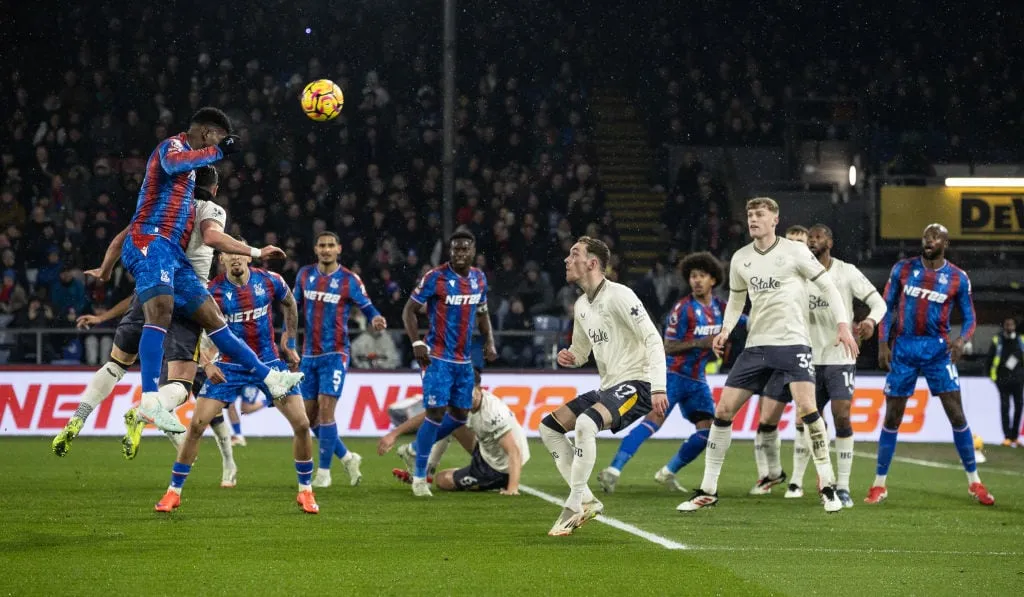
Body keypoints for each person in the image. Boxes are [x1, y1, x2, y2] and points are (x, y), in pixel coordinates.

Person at [52, 166, 261, 486]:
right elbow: (211, 235)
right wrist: (253, 250)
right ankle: (146, 409)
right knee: (183, 384)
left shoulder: (161, 208)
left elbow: (122, 239)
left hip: (151, 290)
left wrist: (106, 271)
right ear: (215, 189)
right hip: (189, 300)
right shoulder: (211, 209)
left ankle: (78, 417)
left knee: (115, 365)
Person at [119, 107, 300, 433]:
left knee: (213, 317)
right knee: (160, 310)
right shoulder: (173, 147)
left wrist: (105, 267)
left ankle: (270, 378)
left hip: (172, 252)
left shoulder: (193, 178)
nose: (217, 148)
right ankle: (148, 399)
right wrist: (218, 150)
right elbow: (175, 164)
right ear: (205, 133)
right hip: (150, 240)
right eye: (217, 138)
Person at [677, 197, 859, 514]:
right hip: (757, 346)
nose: (753, 219)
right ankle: (708, 490)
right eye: (749, 214)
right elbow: (736, 302)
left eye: (760, 214)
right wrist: (724, 330)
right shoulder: (740, 259)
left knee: (807, 409)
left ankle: (827, 487)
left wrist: (843, 325)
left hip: (793, 343)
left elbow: (829, 287)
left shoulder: (796, 252)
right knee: (723, 410)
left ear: (775, 219)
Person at [154, 247, 317, 513]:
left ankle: (305, 491)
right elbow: (195, 331)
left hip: (269, 362)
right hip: (228, 365)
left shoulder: (270, 280)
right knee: (196, 425)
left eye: (239, 253)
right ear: (222, 260)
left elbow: (289, 302)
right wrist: (206, 364)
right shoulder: (210, 291)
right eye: (229, 254)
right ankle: (174, 492)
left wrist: (289, 338)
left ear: (249, 257)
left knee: (301, 423)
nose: (236, 258)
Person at [541, 236, 669, 536]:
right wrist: (570, 357)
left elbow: (653, 338)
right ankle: (586, 498)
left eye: (574, 254)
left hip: (639, 383)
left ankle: (574, 504)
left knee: (586, 424)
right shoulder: (582, 305)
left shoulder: (620, 296)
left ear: (592, 263)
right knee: (548, 428)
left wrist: (659, 387)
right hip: (609, 387)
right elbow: (582, 352)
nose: (566, 260)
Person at [751, 224, 886, 507]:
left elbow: (878, 303)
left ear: (830, 241)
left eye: (818, 236)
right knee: (806, 421)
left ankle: (844, 485)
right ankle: (799, 480)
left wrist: (871, 322)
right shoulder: (795, 274)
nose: (813, 240)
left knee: (842, 416)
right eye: (809, 237)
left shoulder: (846, 272)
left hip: (839, 357)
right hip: (805, 358)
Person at [867, 224, 994, 506]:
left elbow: (971, 317)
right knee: (892, 417)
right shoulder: (903, 269)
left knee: (957, 415)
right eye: (926, 236)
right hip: (905, 347)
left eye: (935, 237)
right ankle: (878, 484)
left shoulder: (958, 278)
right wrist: (882, 342)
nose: (929, 240)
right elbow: (886, 306)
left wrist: (962, 340)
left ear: (945, 243)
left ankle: (975, 483)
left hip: (938, 350)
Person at [598, 252, 735, 493]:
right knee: (653, 422)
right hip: (672, 376)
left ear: (713, 280)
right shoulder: (683, 308)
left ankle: (668, 472)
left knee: (708, 432)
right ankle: (613, 470)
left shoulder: (721, 307)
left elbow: (741, 321)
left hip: (697, 381)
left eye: (702, 276)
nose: (696, 281)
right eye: (693, 276)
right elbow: (667, 346)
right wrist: (700, 342)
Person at [402, 229, 498, 497]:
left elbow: (482, 312)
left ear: (473, 251)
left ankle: (413, 450)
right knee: (435, 413)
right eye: (455, 249)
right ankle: (420, 479)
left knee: (460, 416)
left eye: (464, 249)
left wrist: (489, 341)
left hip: (464, 361)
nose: (459, 253)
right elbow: (409, 310)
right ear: (450, 251)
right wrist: (416, 342)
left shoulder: (479, 279)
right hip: (437, 358)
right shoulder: (436, 277)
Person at [293, 231, 383, 488]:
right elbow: (292, 307)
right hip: (309, 355)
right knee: (308, 420)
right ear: (316, 249)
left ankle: (324, 473)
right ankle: (347, 457)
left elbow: (367, 306)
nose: (326, 249)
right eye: (322, 245)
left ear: (339, 249)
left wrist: (376, 317)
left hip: (336, 354)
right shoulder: (304, 275)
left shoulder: (349, 280)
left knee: (326, 409)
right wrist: (288, 341)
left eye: (331, 245)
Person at [745, 225, 814, 497]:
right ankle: (769, 475)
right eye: (793, 241)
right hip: (772, 358)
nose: (797, 246)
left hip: (804, 357)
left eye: (802, 242)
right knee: (766, 421)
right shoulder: (773, 280)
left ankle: (796, 481)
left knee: (803, 419)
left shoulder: (815, 280)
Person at [381, 370, 528, 494]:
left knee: (442, 480)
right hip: (485, 450)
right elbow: (431, 415)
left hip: (499, 469)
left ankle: (487, 480)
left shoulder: (493, 413)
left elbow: (514, 451)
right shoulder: (462, 401)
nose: (465, 401)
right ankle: (426, 472)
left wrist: (512, 488)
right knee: (450, 421)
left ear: (480, 389)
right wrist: (394, 433)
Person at [987, 317, 1024, 447]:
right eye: (1007, 324)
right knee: (1005, 407)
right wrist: (993, 377)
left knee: (1019, 407)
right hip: (1002, 380)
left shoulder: (1021, 340)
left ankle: (1015, 436)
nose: (1009, 327)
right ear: (1004, 326)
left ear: (1014, 326)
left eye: (1011, 324)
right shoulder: (998, 340)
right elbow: (990, 359)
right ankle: (1007, 437)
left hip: (1018, 380)